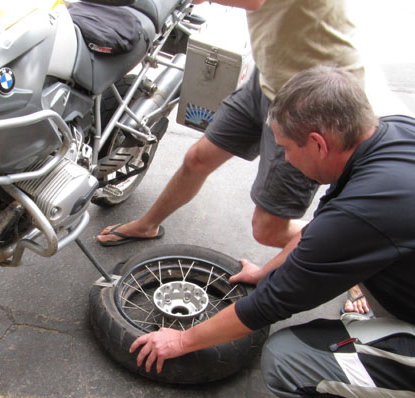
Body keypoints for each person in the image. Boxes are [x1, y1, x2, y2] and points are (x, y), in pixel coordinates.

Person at [130, 66, 415, 398]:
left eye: (286, 147)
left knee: (286, 361)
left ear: (319, 144)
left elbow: (268, 307)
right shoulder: (394, 133)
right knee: (364, 283)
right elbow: (318, 233)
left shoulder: (365, 213)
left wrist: (181, 338)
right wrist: (267, 270)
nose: (284, 157)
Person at [96, 0, 371, 315]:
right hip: (268, 78)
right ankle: (147, 225)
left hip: (316, 101)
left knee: (269, 229)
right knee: (197, 159)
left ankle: (352, 249)